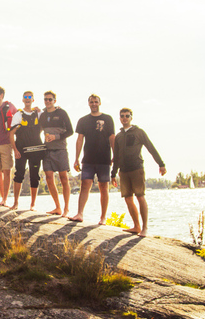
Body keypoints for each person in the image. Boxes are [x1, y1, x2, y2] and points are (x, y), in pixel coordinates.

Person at [111, 107, 167, 236]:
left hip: (137, 169)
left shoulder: (139, 132)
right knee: (128, 198)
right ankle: (136, 226)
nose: (124, 118)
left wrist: (161, 164)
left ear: (131, 117)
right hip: (123, 171)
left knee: (140, 196)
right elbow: (117, 156)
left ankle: (145, 228)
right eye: (122, 116)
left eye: (127, 116)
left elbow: (150, 147)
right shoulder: (118, 136)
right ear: (119, 118)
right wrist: (113, 174)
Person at [69, 94, 115, 224]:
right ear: (88, 104)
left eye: (96, 102)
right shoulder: (83, 120)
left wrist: (115, 155)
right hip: (88, 159)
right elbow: (79, 139)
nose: (94, 104)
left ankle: (103, 217)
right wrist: (76, 158)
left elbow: (112, 138)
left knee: (104, 187)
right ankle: (80, 213)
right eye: (91, 102)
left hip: (104, 159)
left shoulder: (108, 119)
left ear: (99, 103)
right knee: (85, 185)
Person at [8, 90, 44, 211]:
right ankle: (16, 203)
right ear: (23, 100)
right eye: (25, 97)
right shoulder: (18, 115)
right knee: (19, 174)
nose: (27, 99)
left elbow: (49, 117)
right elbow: (11, 133)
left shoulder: (39, 114)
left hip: (36, 149)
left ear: (33, 99)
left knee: (35, 176)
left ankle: (32, 204)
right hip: (21, 150)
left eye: (30, 97)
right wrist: (15, 149)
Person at [40, 90, 73, 217]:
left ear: (54, 100)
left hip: (60, 149)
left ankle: (66, 209)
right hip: (47, 150)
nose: (47, 101)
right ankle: (57, 207)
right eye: (45, 99)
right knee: (49, 178)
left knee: (63, 178)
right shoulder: (42, 115)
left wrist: (56, 136)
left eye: (50, 99)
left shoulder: (62, 113)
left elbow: (70, 131)